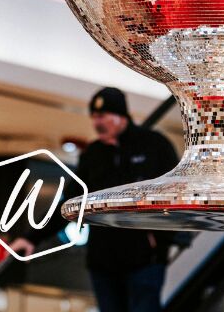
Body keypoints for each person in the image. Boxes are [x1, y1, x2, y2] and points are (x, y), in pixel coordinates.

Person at [75, 87, 180, 312]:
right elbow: (72, 199)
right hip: (103, 261)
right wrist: (32, 238)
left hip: (145, 260)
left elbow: (177, 191)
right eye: (94, 117)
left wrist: (162, 241)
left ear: (121, 115)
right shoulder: (92, 154)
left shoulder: (154, 145)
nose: (97, 123)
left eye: (102, 116)